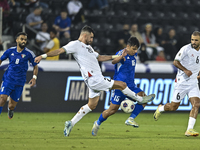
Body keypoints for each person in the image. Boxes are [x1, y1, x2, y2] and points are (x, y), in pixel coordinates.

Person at [34, 25, 155, 137]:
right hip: (94, 78)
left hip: (94, 81)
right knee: (122, 85)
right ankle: (140, 99)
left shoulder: (89, 48)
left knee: (92, 105)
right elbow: (59, 51)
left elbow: (101, 57)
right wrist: (43, 56)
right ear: (85, 35)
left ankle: (71, 123)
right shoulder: (75, 44)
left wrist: (116, 57)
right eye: (91, 37)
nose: (92, 39)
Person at [91, 36, 151, 136]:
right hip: (119, 86)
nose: (135, 51)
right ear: (128, 46)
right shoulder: (121, 53)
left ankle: (130, 119)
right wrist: (120, 57)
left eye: (136, 49)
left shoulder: (134, 53)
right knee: (112, 110)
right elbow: (113, 61)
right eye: (134, 49)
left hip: (131, 86)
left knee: (144, 98)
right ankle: (97, 123)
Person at [153, 31, 200, 137]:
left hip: (193, 83)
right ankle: (160, 108)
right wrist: (185, 70)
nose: (193, 42)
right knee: (174, 107)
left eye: (196, 40)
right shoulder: (185, 49)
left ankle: (189, 129)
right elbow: (175, 62)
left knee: (196, 104)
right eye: (192, 39)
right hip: (181, 83)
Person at [0, 32, 38, 119]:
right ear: (17, 40)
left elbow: (35, 66)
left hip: (19, 83)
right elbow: (1, 59)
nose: (24, 41)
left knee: (11, 106)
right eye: (22, 39)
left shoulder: (29, 53)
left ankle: (11, 110)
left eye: (25, 39)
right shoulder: (10, 51)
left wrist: (34, 77)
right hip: (8, 80)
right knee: (2, 99)